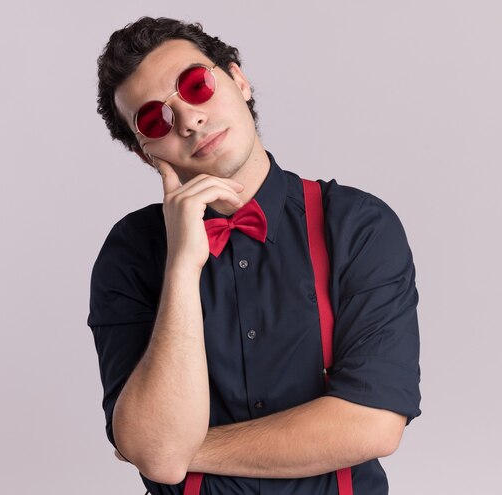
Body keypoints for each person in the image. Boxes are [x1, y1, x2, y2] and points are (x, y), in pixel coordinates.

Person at [88, 16, 421, 495]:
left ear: (238, 79)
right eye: (155, 119)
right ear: (146, 153)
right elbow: (153, 445)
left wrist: (182, 450)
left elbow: (373, 425)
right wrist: (182, 267)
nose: (189, 120)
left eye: (196, 86)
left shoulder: (357, 225)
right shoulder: (131, 254)